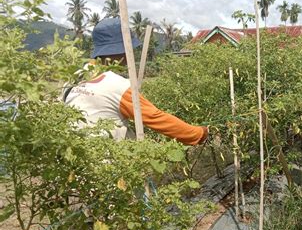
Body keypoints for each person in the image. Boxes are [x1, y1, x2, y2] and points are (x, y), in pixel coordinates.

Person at [63, 18, 208, 145]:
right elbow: (155, 117)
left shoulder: (74, 76)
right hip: (106, 167)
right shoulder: (117, 86)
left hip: (74, 162)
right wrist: (198, 134)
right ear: (122, 50)